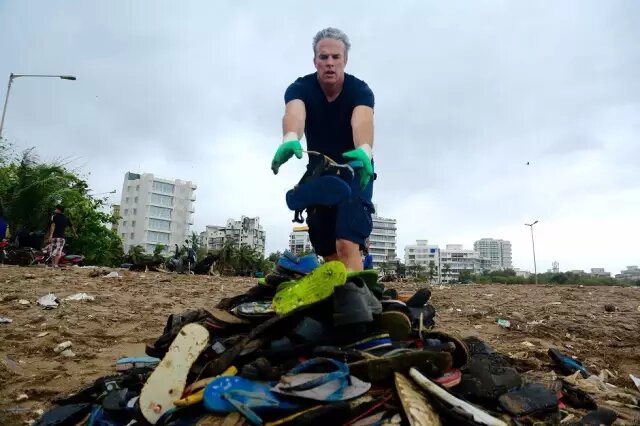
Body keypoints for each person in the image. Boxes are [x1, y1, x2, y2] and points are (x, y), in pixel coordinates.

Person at [271, 27, 375, 271]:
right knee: (327, 247)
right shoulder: (300, 88)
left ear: (344, 60)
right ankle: (345, 284)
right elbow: (295, 114)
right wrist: (290, 137)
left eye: (335, 57)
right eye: (323, 57)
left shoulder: (360, 90)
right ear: (315, 61)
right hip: (321, 171)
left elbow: (362, 121)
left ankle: (357, 291)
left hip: (356, 167)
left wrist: (365, 148)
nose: (329, 63)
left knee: (347, 241)